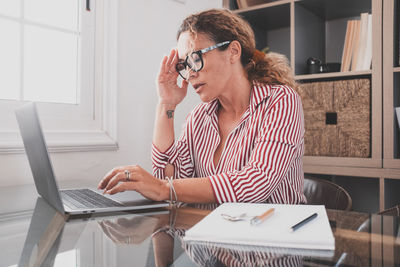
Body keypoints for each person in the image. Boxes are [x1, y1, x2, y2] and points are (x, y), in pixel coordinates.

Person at [98, 8, 306, 205]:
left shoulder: (280, 101)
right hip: (211, 236)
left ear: (233, 52)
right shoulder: (199, 116)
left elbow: (255, 184)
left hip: (273, 237)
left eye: (195, 58)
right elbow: (171, 178)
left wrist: (163, 188)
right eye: (184, 65)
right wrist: (166, 104)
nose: (189, 73)